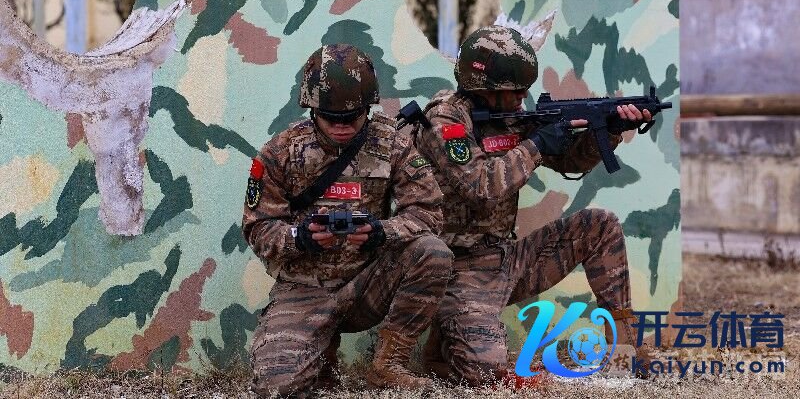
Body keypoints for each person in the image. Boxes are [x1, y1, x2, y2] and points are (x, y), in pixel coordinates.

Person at [413, 25, 653, 383]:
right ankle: (443, 347)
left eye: (524, 88)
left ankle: (625, 351)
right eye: (514, 90)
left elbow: (570, 162)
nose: (522, 97)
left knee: (600, 226)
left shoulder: (510, 114)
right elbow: (481, 185)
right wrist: (537, 144)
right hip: (459, 270)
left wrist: (609, 129)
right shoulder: (445, 120)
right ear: (483, 87)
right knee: (486, 373)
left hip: (507, 259)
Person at [242, 43, 453, 397]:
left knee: (433, 253)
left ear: (367, 109)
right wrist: (300, 237)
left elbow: (428, 212)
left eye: (352, 118)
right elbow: (257, 227)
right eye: (331, 118)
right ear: (312, 110)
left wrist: (382, 232)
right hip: (304, 288)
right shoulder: (280, 152)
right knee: (277, 388)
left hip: (368, 283)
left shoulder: (392, 145)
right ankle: (320, 356)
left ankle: (388, 366)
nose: (342, 127)